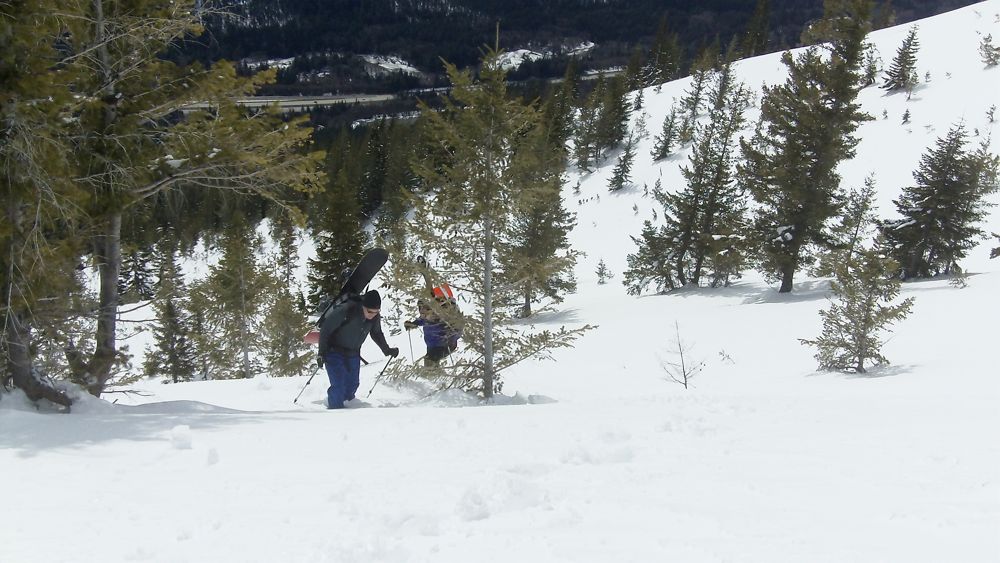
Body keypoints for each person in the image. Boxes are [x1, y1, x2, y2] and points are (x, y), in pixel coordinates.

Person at [317, 289, 398, 409]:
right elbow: (326, 330)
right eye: (369, 311)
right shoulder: (346, 310)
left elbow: (376, 333)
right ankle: (335, 412)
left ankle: (349, 409)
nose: (372, 314)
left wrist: (386, 350)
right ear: (363, 306)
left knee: (352, 384)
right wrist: (321, 353)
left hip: (353, 353)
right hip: (334, 351)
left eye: (376, 312)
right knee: (339, 385)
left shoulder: (374, 317)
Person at [404, 297, 461, 367]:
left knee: (430, 361)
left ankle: (432, 371)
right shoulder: (428, 317)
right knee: (430, 361)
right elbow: (421, 320)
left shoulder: (444, 320)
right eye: (420, 308)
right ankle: (433, 371)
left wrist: (450, 336)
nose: (422, 311)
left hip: (443, 346)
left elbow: (457, 331)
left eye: (425, 308)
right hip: (432, 345)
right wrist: (413, 324)